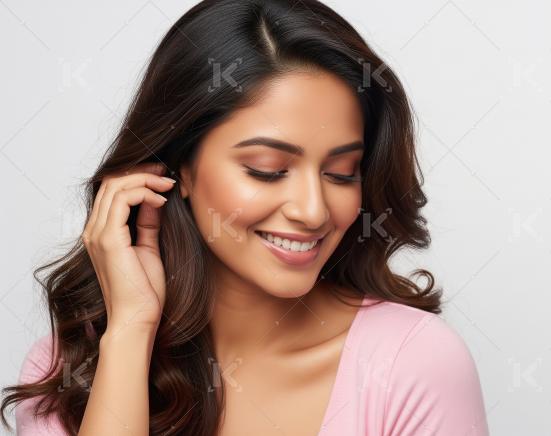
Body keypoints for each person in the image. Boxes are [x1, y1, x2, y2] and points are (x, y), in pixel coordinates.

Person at [1, 0, 489, 435]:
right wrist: (130, 332)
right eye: (268, 170)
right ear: (179, 168)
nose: (313, 211)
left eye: (342, 173)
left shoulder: (414, 364)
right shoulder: (70, 371)